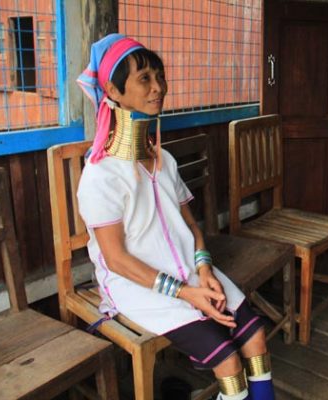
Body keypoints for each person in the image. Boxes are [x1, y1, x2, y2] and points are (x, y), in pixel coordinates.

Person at [76, 34, 275, 400]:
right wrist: (186, 293)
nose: (159, 88)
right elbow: (117, 260)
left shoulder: (163, 160)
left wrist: (203, 271)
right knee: (229, 361)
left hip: (189, 270)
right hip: (136, 285)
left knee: (257, 339)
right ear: (112, 90)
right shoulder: (100, 176)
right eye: (145, 79)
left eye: (159, 77)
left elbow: (192, 228)